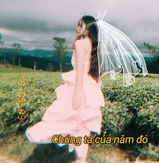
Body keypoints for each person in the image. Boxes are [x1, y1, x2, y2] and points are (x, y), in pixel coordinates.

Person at [25, 15, 105, 163]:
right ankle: (81, 159)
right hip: (90, 85)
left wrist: (76, 94)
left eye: (80, 25)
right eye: (78, 25)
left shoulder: (81, 43)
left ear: (88, 28)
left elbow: (81, 69)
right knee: (82, 124)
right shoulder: (93, 45)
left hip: (79, 85)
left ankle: (77, 156)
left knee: (64, 119)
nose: (77, 28)